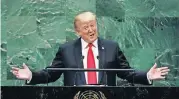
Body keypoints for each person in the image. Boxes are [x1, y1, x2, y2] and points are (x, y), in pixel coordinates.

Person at [11, 11, 170, 86]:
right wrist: (31, 75)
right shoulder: (66, 49)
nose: (91, 30)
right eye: (85, 27)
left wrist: (147, 76)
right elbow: (51, 74)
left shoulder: (111, 47)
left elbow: (127, 73)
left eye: (93, 25)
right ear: (77, 31)